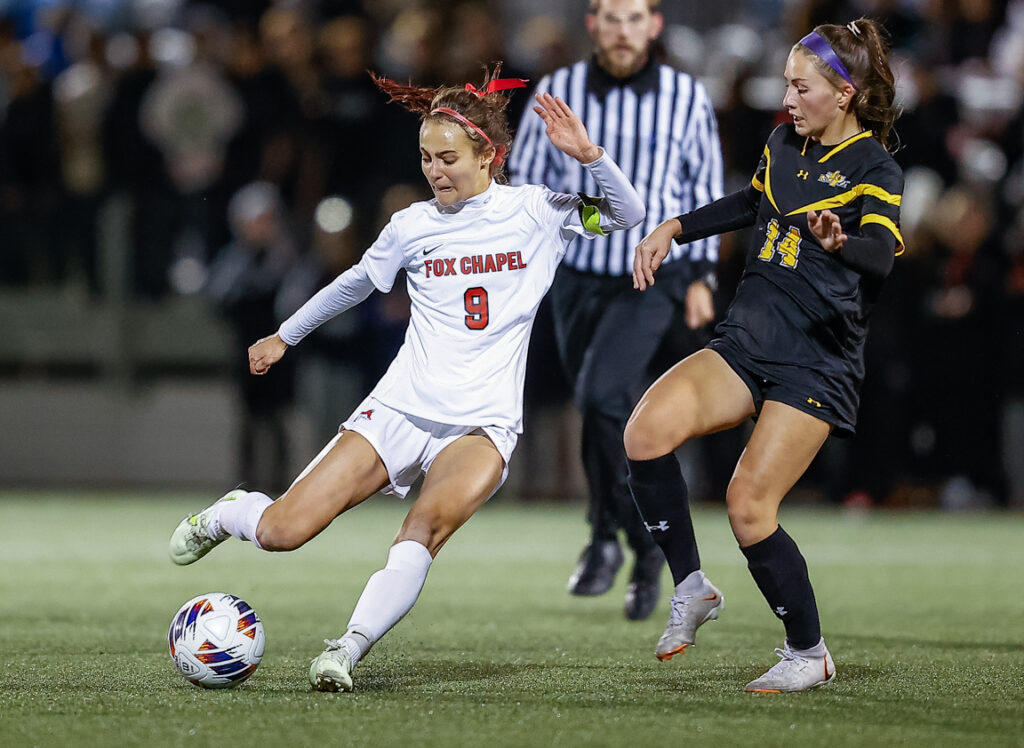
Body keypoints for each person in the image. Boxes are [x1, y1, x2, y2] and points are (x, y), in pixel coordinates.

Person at [168, 66, 645, 693]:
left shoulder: (537, 211)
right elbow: (356, 283)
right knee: (283, 532)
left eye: (448, 158)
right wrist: (285, 335)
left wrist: (590, 157)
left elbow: (628, 212)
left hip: (481, 424)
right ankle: (231, 514)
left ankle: (347, 648)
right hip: (399, 408)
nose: (435, 171)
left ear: (489, 155)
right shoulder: (412, 226)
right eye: (426, 157)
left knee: (423, 529)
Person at [625, 18, 903, 692]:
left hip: (818, 359)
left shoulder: (875, 167)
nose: (788, 97)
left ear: (843, 95)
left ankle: (807, 651)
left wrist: (841, 244)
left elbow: (884, 255)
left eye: (801, 86)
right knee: (645, 433)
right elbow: (754, 202)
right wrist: (676, 228)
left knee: (748, 503)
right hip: (748, 338)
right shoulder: (783, 142)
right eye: (786, 83)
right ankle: (692, 587)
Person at [509, 0, 724, 621]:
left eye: (635, 18)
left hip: (655, 273)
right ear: (593, 25)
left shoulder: (686, 95)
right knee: (597, 405)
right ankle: (611, 534)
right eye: (611, 17)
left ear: (654, 26)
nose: (623, 30)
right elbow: (526, 177)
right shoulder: (560, 88)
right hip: (578, 274)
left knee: (605, 397)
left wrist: (702, 275)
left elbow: (704, 189)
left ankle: (630, 544)